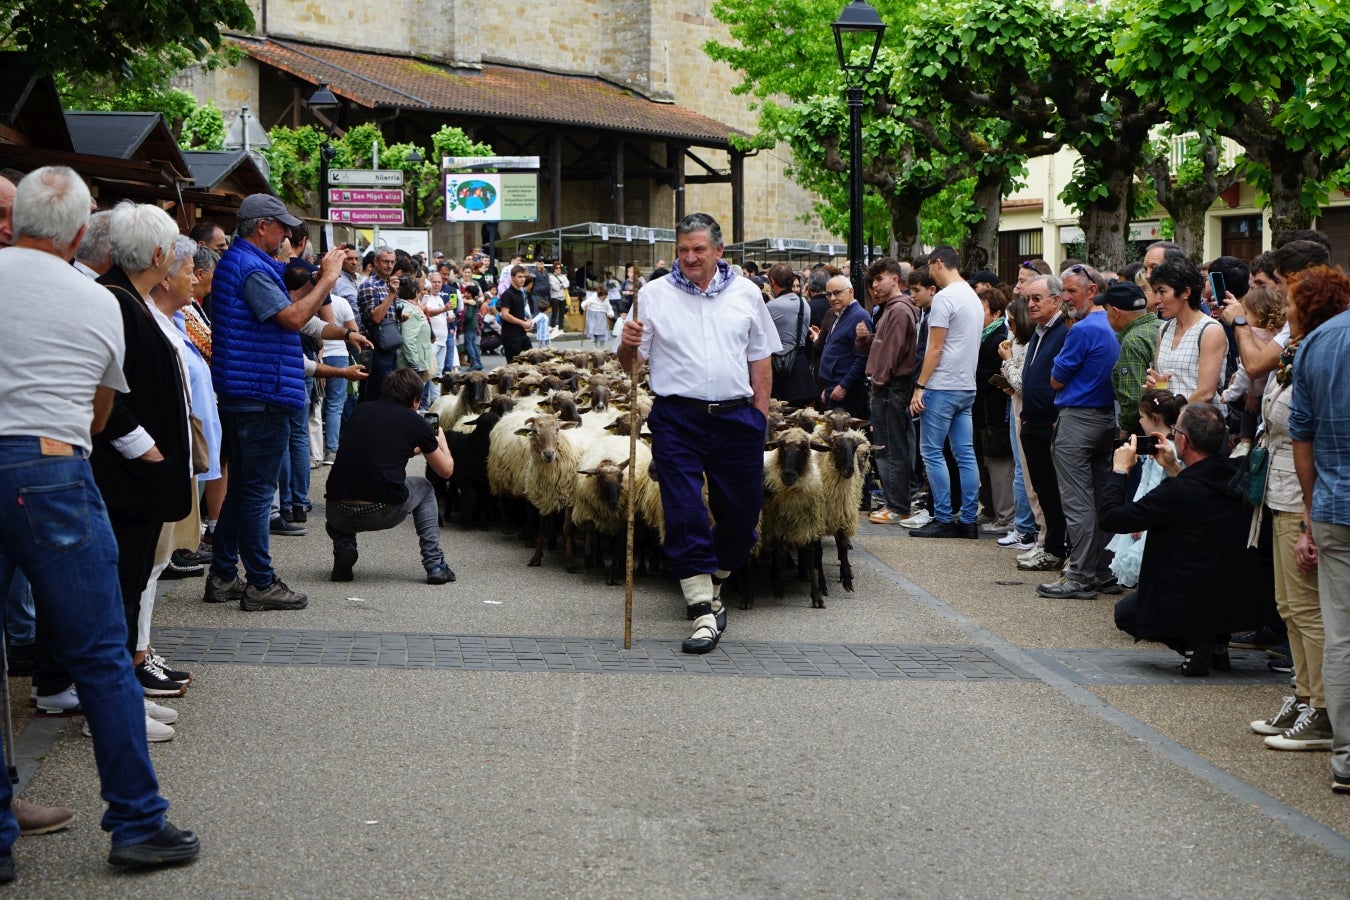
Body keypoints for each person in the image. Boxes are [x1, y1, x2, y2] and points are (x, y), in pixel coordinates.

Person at [0, 166, 200, 873]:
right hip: (51, 466)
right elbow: (99, 411)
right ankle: (138, 822)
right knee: (101, 653)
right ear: (84, 232)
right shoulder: (97, 303)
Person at [618, 212, 780, 654]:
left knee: (743, 517)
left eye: (699, 250)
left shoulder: (747, 293)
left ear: (718, 252)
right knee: (685, 509)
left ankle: (716, 581)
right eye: (683, 250)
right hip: (677, 418)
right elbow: (630, 367)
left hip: (736, 418)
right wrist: (628, 344)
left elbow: (761, 356)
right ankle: (702, 611)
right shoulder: (652, 296)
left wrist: (760, 414)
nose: (690, 257)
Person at [206, 193, 347, 612]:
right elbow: (290, 318)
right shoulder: (249, 267)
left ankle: (224, 575)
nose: (288, 234)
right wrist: (326, 280)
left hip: (252, 391)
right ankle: (261, 582)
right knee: (254, 494)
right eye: (282, 226)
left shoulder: (247, 264)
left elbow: (289, 310)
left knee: (243, 492)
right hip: (259, 395)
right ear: (260, 226)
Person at [92, 203, 196, 697]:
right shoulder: (114, 299)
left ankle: (122, 683)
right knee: (124, 578)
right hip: (129, 473)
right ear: (158, 254)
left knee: (133, 578)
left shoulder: (124, 296)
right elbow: (108, 395)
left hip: (140, 472)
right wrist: (149, 452)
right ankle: (117, 688)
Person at [1253, 266, 1349, 751]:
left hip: (1302, 492)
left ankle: (1324, 708)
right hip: (1283, 488)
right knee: (1289, 606)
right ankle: (1305, 692)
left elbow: (1300, 429)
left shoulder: (1319, 353)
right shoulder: (1297, 352)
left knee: (1310, 609)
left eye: (1291, 302)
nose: (1284, 310)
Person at [1102, 403, 1270, 675]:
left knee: (1127, 614)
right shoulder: (1240, 478)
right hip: (1242, 603)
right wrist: (1173, 467)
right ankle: (1216, 641)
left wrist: (1120, 470)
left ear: (1183, 440)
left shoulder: (1176, 492)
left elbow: (1112, 519)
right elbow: (1200, 491)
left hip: (1186, 598)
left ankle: (1194, 642)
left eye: (1176, 431)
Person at [1289, 266, 1350, 791]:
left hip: (1334, 505)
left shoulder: (1316, 344)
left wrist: (1311, 511)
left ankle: (1347, 757)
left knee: (1343, 634)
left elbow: (1301, 439)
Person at [325, 368, 456, 585]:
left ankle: (344, 547)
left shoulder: (361, 410)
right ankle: (435, 564)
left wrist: (415, 448)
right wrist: (441, 443)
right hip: (381, 511)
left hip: (337, 511)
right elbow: (446, 471)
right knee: (424, 487)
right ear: (415, 400)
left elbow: (378, 448)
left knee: (349, 488)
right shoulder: (417, 423)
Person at [1038, 265, 1120, 599]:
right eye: (1065, 291)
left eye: (1072, 291)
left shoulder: (1084, 330)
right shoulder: (1112, 326)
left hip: (1079, 420)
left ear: (1092, 290)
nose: (1067, 298)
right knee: (1101, 499)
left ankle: (1081, 575)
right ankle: (1101, 570)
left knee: (1079, 502)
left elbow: (1056, 378)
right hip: (1106, 420)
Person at [908, 246, 984, 538]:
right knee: (965, 454)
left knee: (931, 452)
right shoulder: (972, 297)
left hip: (942, 385)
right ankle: (967, 519)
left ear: (938, 263)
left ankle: (942, 516)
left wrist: (920, 386)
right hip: (966, 384)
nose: (929, 273)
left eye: (929, 267)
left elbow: (936, 348)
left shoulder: (945, 298)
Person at [860, 258, 920, 525]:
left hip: (890, 387)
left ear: (895, 279)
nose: (874, 286)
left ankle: (897, 506)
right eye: (872, 281)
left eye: (879, 279)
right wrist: (866, 341)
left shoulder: (897, 310)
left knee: (890, 448)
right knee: (893, 446)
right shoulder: (895, 309)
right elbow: (886, 347)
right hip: (891, 386)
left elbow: (892, 353)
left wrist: (878, 381)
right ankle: (897, 501)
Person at [1105, 390, 1186, 589]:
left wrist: (1141, 519)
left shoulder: (1164, 450)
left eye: (1142, 417)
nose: (1140, 422)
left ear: (1155, 419)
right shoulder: (1166, 445)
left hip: (1156, 516)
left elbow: (1153, 487)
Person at [1016, 274, 1070, 570]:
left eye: (1037, 299)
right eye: (1028, 299)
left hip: (1050, 422)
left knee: (1053, 490)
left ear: (1056, 300)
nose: (1031, 305)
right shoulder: (1039, 332)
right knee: (1041, 488)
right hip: (1032, 421)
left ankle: (1055, 548)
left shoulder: (1063, 331)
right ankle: (1049, 545)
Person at [1146, 256, 1225, 404]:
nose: (1157, 300)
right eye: (1155, 292)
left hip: (1198, 422)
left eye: (1162, 292)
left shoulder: (1210, 330)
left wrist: (1175, 415)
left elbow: (1206, 392)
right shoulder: (1164, 329)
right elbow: (1162, 384)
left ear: (1186, 292)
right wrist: (1156, 388)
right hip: (1168, 422)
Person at [817, 274, 873, 418]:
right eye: (829, 294)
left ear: (851, 291)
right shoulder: (839, 314)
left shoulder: (858, 316)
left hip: (846, 392)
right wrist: (828, 387)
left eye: (837, 293)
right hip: (833, 387)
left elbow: (862, 358)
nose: (833, 298)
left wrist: (844, 386)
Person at [764, 262, 816, 406]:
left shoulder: (770, 307)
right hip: (800, 368)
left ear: (773, 282)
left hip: (778, 370)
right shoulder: (804, 303)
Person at [497, 264, 533, 362]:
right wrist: (522, 323)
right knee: (514, 365)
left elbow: (517, 312)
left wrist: (526, 320)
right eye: (519, 277)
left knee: (531, 360)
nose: (522, 279)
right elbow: (505, 315)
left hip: (522, 334)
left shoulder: (521, 293)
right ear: (512, 277)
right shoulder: (507, 294)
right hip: (510, 335)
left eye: (524, 277)